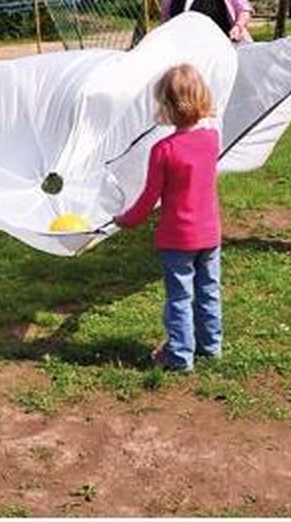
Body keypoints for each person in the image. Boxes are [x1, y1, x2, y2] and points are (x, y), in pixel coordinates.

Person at [114, 64, 222, 372]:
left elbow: (149, 199)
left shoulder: (163, 150)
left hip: (177, 240)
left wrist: (125, 220)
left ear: (166, 107)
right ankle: (210, 346)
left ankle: (179, 355)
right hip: (210, 235)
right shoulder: (212, 139)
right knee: (208, 291)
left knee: (179, 297)